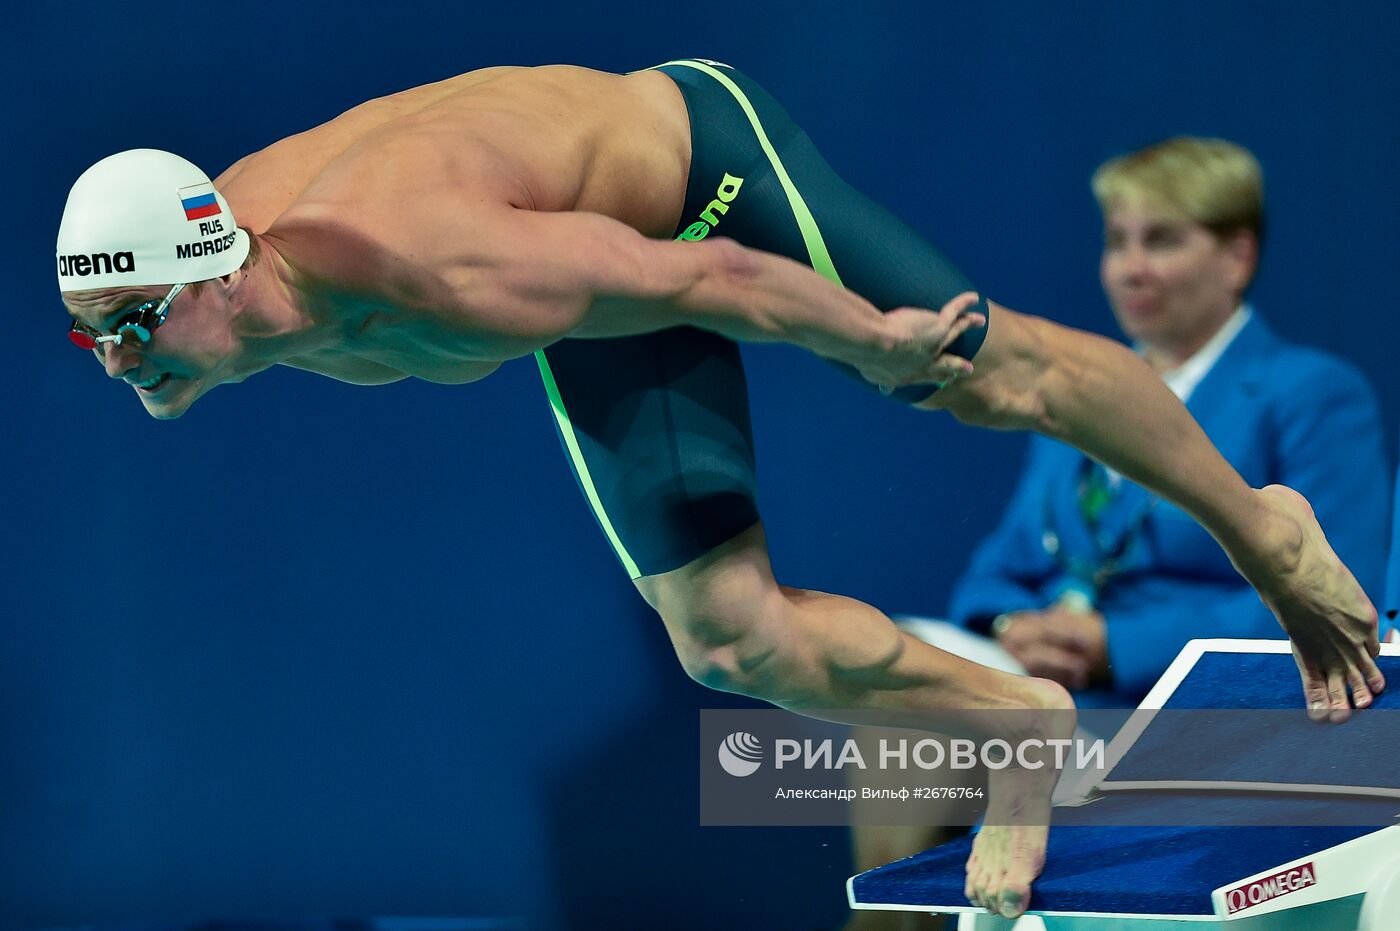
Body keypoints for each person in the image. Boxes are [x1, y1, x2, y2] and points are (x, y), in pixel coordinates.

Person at [56, 60, 1382, 919]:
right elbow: (623, 296)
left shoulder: (423, 260)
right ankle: (1018, 720)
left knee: (985, 372)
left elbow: (714, 277)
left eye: (133, 325)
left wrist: (875, 344)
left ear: (217, 268)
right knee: (728, 638)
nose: (117, 363)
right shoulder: (226, 258)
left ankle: (1265, 528)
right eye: (90, 336)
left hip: (695, 183)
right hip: (579, 268)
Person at [843, 137, 1391, 930]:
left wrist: (1112, 644)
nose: (1131, 267)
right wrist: (1012, 625)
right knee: (899, 670)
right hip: (1058, 696)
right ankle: (891, 918)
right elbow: (995, 571)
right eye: (1117, 241)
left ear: (1237, 256)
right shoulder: (1090, 390)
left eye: (1161, 240)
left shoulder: (1310, 392)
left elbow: (1341, 599)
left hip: (1187, 707)